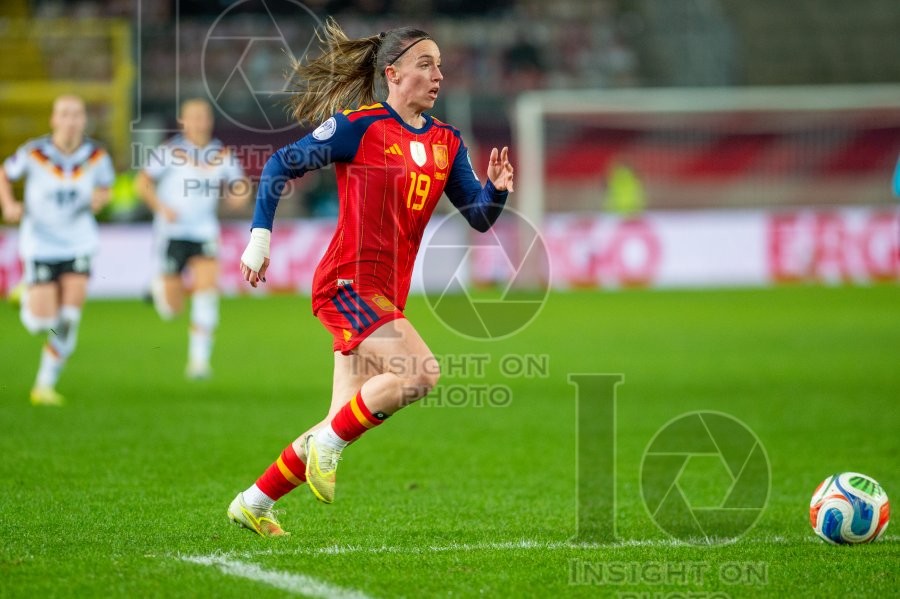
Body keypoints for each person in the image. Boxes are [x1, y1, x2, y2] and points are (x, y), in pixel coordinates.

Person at [227, 19, 515, 537]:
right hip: (348, 284)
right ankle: (327, 448)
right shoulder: (358, 127)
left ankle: (254, 500)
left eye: (440, 66)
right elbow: (277, 166)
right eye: (425, 64)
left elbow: (478, 215)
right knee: (420, 374)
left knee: (341, 414)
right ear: (393, 73)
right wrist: (260, 238)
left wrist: (496, 192)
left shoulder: (448, 142)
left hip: (387, 295)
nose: (437, 75)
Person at [0, 95, 115, 406]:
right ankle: (25, 293)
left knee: (68, 318)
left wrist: (100, 199)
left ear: (83, 120)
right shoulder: (34, 152)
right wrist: (9, 204)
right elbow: (5, 174)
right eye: (64, 114)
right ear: (54, 120)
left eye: (76, 114)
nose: (71, 120)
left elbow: (106, 187)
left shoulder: (96, 156)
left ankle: (44, 386)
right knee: (41, 322)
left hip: (79, 241)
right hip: (41, 242)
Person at [136, 98, 251, 379]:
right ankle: (159, 289)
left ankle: (199, 363)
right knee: (171, 310)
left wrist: (239, 197)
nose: (200, 122)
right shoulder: (170, 151)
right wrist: (161, 207)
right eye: (194, 117)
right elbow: (142, 183)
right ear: (183, 121)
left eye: (204, 116)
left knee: (207, 292)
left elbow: (240, 185)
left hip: (204, 232)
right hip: (171, 233)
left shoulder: (221, 154)